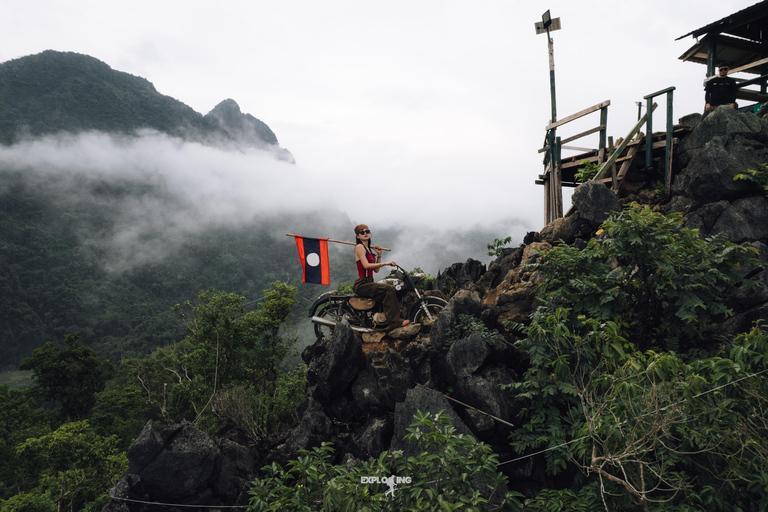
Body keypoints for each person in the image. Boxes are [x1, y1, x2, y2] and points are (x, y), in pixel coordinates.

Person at [352, 224, 410, 330]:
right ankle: (395, 322)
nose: (365, 234)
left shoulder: (369, 250)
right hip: (362, 284)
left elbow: (376, 270)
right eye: (362, 232)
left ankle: (382, 320)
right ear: (357, 236)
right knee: (388, 289)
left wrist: (379, 255)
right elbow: (366, 266)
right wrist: (386, 263)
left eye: (367, 231)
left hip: (369, 282)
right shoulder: (359, 247)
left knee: (389, 292)